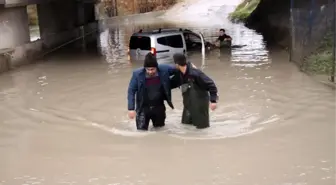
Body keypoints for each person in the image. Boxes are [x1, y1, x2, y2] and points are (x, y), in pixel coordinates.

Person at [127, 52, 179, 131]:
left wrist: (189, 66)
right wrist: (131, 108)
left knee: (160, 131)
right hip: (143, 108)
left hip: (158, 107)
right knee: (141, 132)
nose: (150, 71)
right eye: (148, 69)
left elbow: (179, 68)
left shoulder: (164, 69)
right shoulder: (137, 74)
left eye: (152, 69)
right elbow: (131, 91)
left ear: (156, 67)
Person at [173, 53, 218, 129]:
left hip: (200, 105)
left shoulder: (195, 73)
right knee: (185, 125)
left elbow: (211, 84)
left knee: (202, 128)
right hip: (188, 105)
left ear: (177, 64)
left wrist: (213, 101)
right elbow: (172, 83)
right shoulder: (179, 73)